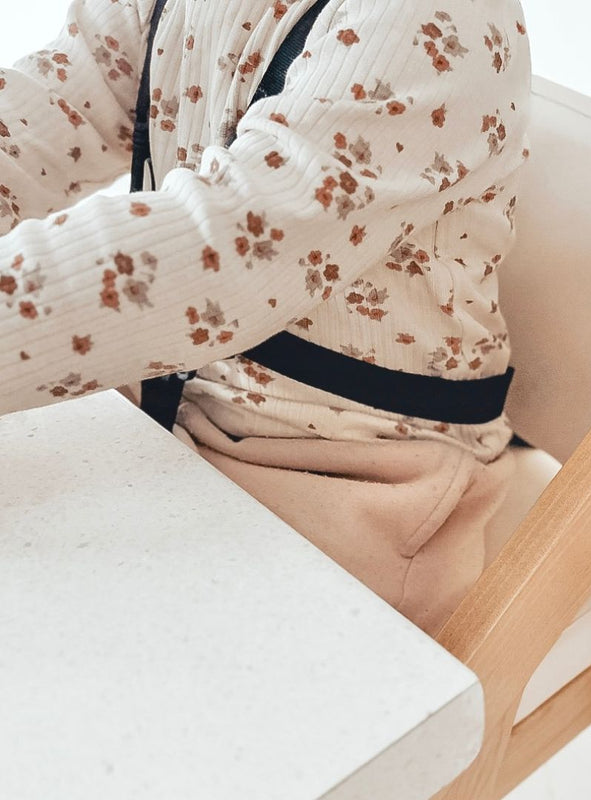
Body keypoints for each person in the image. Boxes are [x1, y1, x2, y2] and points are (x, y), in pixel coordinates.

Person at [0, 0, 532, 637]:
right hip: (176, 408)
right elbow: (53, 106)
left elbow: (220, 252)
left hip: (353, 478)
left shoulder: (428, 18)